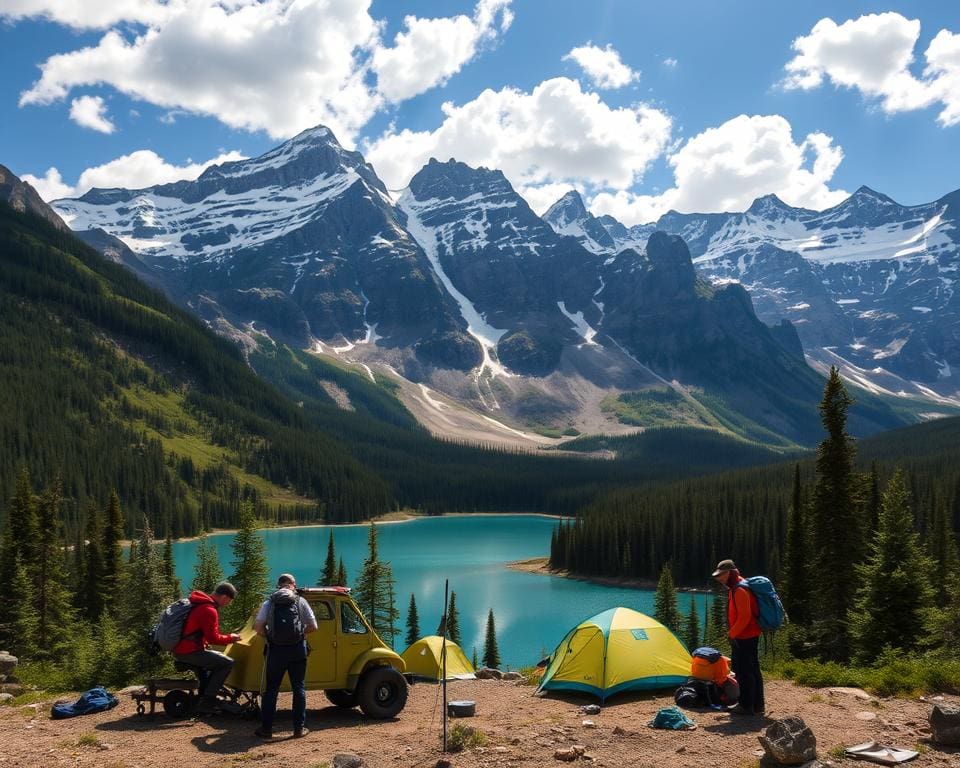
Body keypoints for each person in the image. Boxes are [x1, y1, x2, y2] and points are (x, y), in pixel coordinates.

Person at [254, 573, 318, 739]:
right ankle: (298, 729)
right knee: (298, 687)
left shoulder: (269, 602)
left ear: (279, 585)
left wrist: (269, 636)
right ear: (292, 584)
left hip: (276, 651)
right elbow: (313, 626)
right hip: (297, 650)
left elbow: (258, 626)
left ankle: (266, 729)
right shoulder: (300, 601)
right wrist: (301, 635)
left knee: (272, 689)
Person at [172, 581, 242, 712]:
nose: (228, 604)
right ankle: (208, 701)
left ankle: (205, 696)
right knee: (227, 663)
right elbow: (213, 638)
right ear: (224, 597)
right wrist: (231, 638)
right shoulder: (209, 610)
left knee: (215, 660)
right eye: (229, 601)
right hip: (189, 652)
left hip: (181, 648)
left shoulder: (199, 603)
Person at [712, 558, 764, 716]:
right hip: (747, 635)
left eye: (722, 575)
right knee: (752, 669)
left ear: (730, 573)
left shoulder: (739, 589)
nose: (719, 578)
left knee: (744, 671)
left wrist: (731, 634)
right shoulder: (738, 586)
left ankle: (746, 705)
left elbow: (745, 617)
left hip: (744, 636)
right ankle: (757, 705)